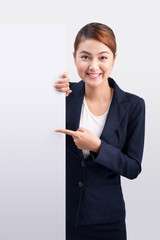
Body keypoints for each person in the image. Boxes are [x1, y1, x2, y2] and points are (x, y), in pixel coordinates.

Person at [54, 22, 145, 240]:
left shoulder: (133, 105)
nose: (93, 66)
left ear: (114, 58)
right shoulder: (62, 96)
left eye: (103, 57)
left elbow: (133, 168)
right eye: (85, 57)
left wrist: (98, 147)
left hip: (107, 221)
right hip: (62, 217)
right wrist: (46, 91)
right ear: (75, 56)